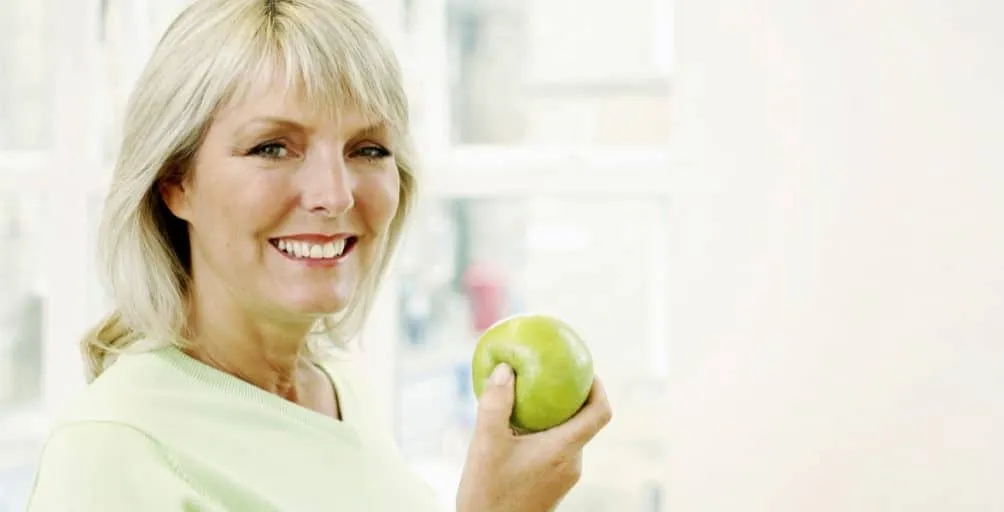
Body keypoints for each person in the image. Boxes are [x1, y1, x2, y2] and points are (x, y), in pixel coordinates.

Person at [24, 0, 612, 510]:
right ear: (176, 182)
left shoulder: (339, 389)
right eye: (272, 147)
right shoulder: (112, 452)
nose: (335, 195)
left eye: (368, 148)